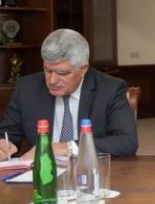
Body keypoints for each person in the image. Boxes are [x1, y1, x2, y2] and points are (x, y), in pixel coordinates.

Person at [0, 29, 137, 160]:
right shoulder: (27, 88)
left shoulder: (110, 89)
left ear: (83, 69)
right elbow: (7, 133)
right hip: (42, 171)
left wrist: (67, 147)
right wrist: (5, 145)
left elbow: (127, 141)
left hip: (90, 170)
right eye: (48, 71)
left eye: (62, 73)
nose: (52, 80)